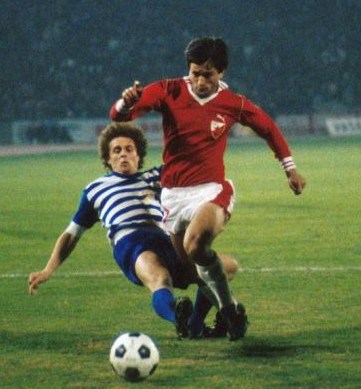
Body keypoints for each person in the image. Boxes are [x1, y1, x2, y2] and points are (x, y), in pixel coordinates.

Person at [110, 37, 307, 341]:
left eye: (208, 74)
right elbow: (119, 117)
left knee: (195, 245)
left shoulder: (232, 103)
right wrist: (127, 101)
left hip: (211, 191)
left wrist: (290, 169)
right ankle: (231, 311)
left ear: (221, 72)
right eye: (195, 73)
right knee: (192, 271)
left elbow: (267, 127)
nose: (200, 81)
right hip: (173, 197)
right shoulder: (169, 90)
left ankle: (227, 311)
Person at [28, 122, 239, 340]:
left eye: (129, 149)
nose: (123, 154)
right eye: (116, 150)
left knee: (226, 267)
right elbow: (71, 234)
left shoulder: (158, 177)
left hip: (166, 238)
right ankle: (178, 317)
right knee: (160, 277)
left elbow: (186, 165)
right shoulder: (95, 190)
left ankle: (194, 325)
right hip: (131, 243)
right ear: (108, 158)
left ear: (139, 156)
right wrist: (48, 270)